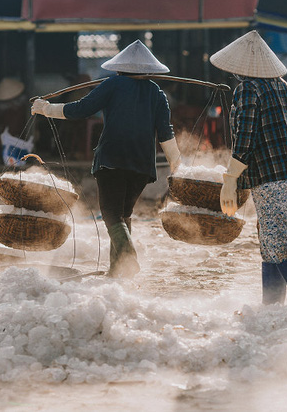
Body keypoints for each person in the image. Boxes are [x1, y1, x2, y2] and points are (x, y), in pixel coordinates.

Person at [31, 40, 181, 279]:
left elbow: (80, 109)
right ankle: (118, 270)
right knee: (123, 215)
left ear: (120, 68)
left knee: (111, 215)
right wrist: (177, 165)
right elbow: (166, 133)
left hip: (113, 158)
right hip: (142, 165)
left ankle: (128, 257)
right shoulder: (157, 93)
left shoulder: (113, 84)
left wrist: (46, 109)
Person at [210, 30, 287, 305]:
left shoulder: (248, 88)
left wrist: (230, 179)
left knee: (277, 244)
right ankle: (272, 308)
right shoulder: (283, 86)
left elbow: (245, 137)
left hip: (269, 176)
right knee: (274, 243)